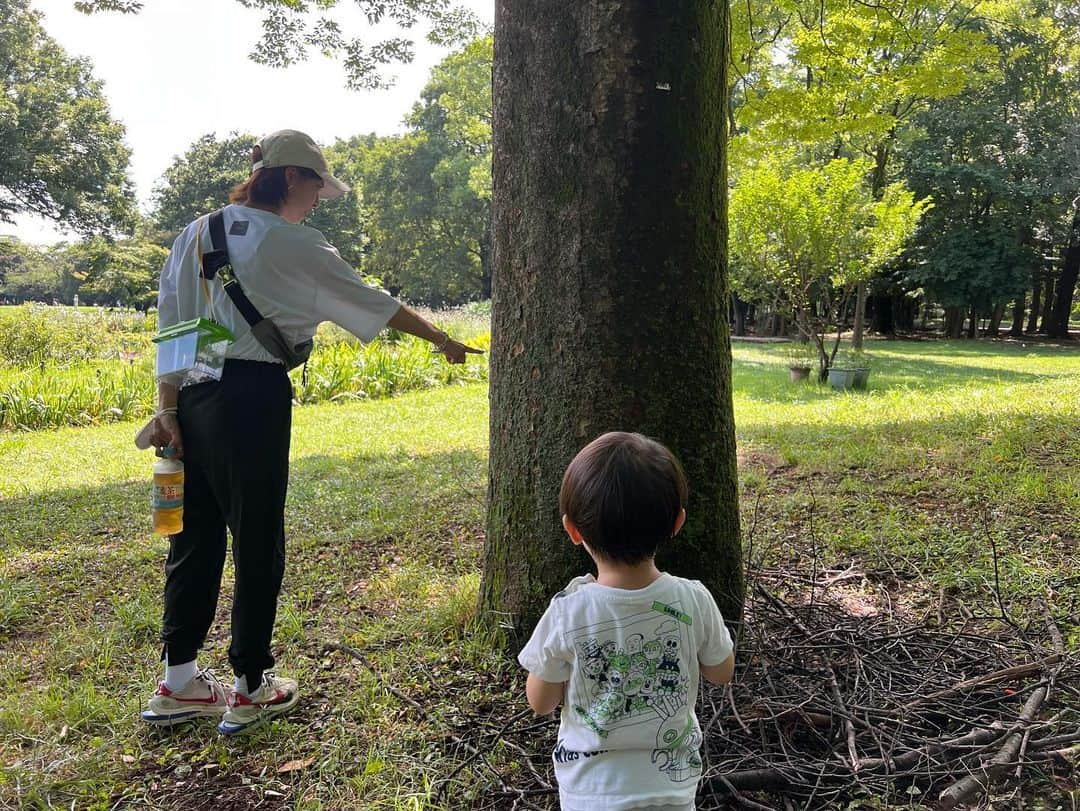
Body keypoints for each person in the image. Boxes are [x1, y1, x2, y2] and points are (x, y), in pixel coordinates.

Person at [136, 129, 481, 735]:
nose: (321, 198)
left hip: (191, 401)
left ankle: (180, 681)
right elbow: (371, 302)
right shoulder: (295, 243)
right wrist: (443, 340)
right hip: (250, 398)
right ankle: (250, 686)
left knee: (191, 540)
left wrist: (167, 408)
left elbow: (178, 323)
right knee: (258, 535)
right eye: (318, 185)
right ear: (292, 178)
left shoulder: (198, 232)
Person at [518, 432, 736, 810]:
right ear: (677, 523)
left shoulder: (568, 611)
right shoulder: (693, 599)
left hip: (591, 791)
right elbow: (721, 672)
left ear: (572, 530)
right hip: (671, 787)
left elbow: (541, 702)